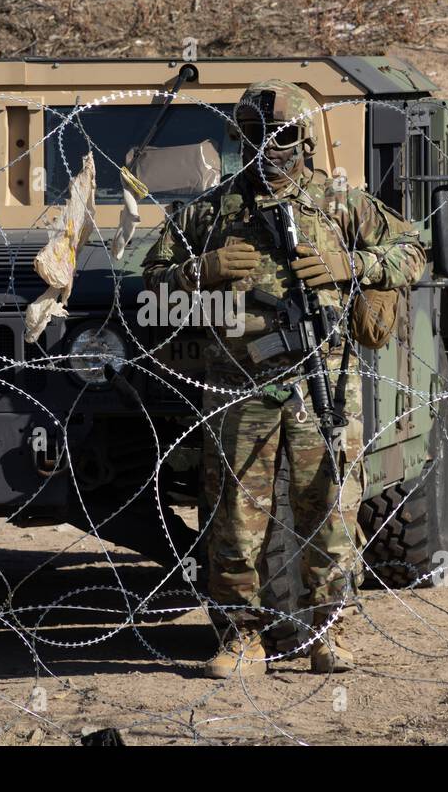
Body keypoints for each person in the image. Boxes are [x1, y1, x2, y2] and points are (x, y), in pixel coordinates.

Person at [141, 79, 427, 676]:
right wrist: (203, 269)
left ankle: (329, 631)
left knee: (330, 508)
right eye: (255, 136)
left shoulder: (339, 204)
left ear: (304, 140)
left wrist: (352, 264)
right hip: (240, 383)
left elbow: (413, 251)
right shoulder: (214, 208)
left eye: (283, 136)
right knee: (234, 516)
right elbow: (152, 281)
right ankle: (241, 636)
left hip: (321, 380)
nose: (270, 148)